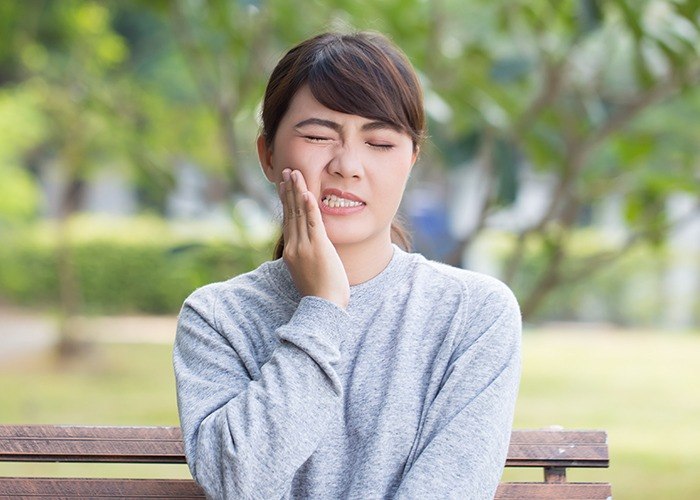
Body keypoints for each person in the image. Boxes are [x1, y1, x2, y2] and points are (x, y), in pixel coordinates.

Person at [173, 31, 521, 499]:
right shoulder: (217, 318)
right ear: (268, 154)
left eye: (380, 142)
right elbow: (240, 484)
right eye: (318, 136)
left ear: (411, 160)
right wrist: (322, 309)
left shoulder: (474, 314)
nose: (348, 165)